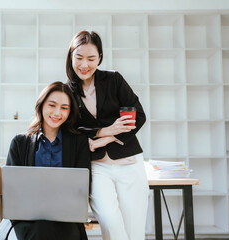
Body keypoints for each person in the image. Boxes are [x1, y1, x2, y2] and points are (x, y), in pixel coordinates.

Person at [66, 30, 149, 240]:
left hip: (129, 161)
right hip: (97, 165)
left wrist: (106, 138)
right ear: (71, 57)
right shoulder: (67, 91)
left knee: (134, 229)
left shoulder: (113, 80)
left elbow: (137, 116)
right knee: (110, 221)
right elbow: (71, 129)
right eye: (79, 58)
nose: (84, 65)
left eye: (91, 58)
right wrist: (104, 130)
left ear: (100, 58)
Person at [6, 81, 90, 240]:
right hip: (26, 221)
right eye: (52, 105)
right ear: (41, 105)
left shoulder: (79, 143)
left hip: (66, 221)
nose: (57, 112)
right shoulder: (19, 143)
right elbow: (11, 191)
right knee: (41, 230)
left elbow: (82, 189)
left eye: (64, 108)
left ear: (70, 112)